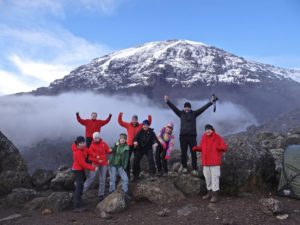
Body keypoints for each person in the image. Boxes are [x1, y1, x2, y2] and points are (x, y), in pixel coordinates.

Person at [164, 95, 218, 176]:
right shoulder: (181, 113)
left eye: (188, 107)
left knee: (193, 153)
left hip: (192, 136)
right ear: (184, 108)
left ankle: (195, 169)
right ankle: (184, 168)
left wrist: (211, 102)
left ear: (190, 108)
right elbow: (174, 108)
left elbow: (203, 109)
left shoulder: (194, 113)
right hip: (183, 136)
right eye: (185, 107)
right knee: (184, 153)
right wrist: (167, 101)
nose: (186, 109)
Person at [192, 124, 228, 203]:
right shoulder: (204, 137)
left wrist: (219, 147)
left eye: (209, 129)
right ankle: (209, 193)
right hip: (206, 162)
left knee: (215, 178)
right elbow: (201, 147)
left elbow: (224, 147)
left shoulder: (217, 137)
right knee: (208, 178)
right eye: (206, 129)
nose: (207, 131)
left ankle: (215, 196)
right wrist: (196, 148)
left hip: (215, 162)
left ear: (212, 130)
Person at [118, 112, 152, 178]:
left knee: (136, 160)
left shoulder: (140, 125)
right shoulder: (128, 125)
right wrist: (120, 115)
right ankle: (127, 174)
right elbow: (120, 122)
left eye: (135, 120)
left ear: (137, 120)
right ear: (131, 120)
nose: (134, 121)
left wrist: (149, 117)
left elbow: (148, 123)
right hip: (129, 144)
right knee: (127, 159)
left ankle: (136, 174)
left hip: (137, 145)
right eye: (133, 119)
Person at [83, 132, 112, 201]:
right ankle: (82, 191)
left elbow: (108, 151)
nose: (97, 139)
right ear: (93, 138)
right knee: (91, 178)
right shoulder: (92, 145)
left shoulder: (103, 143)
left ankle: (101, 194)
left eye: (98, 137)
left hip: (103, 163)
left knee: (102, 179)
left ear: (99, 137)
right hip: (95, 163)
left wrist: (113, 149)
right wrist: (97, 160)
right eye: (95, 138)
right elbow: (90, 157)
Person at [71, 136, 97, 212]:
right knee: (80, 185)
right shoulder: (77, 152)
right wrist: (93, 168)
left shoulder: (84, 148)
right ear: (77, 144)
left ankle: (79, 200)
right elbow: (83, 164)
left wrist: (97, 156)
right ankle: (76, 206)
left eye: (83, 142)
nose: (83, 144)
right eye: (81, 143)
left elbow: (89, 152)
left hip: (80, 169)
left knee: (82, 182)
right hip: (77, 170)